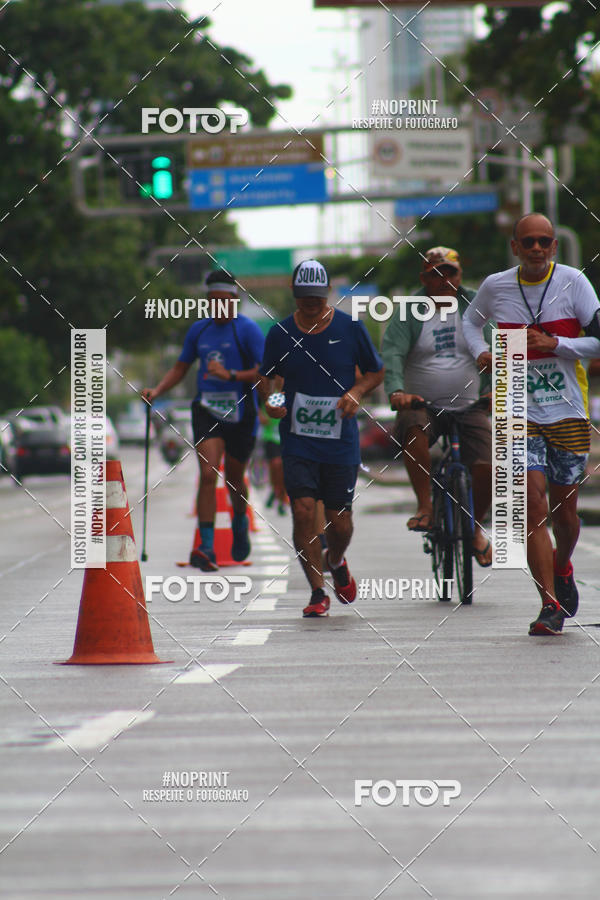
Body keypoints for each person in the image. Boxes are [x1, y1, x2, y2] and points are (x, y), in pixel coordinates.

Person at [462, 213, 600, 635]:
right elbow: (470, 322)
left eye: (544, 241)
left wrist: (556, 343)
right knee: (531, 506)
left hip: (567, 410)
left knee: (566, 513)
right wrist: (480, 352)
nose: (537, 248)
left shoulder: (574, 282)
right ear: (515, 247)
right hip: (515, 407)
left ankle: (562, 565)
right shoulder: (495, 286)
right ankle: (549, 605)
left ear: (554, 247)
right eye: (529, 242)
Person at [258, 258, 384, 617]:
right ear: (294, 294)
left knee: (339, 520)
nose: (311, 304)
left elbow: (375, 372)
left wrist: (357, 392)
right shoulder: (280, 334)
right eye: (304, 297)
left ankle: (337, 559)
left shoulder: (350, 328)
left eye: (316, 297)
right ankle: (317, 591)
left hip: (340, 437)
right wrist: (273, 402)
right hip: (297, 437)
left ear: (327, 293)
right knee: (302, 510)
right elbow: (266, 378)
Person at [142, 269, 265, 570]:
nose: (219, 307)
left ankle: (238, 521)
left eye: (225, 301)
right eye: (213, 301)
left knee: (235, 478)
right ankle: (207, 548)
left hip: (241, 411)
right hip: (207, 409)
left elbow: (265, 372)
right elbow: (181, 367)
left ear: (235, 301)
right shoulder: (199, 330)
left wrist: (232, 375)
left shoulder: (247, 330)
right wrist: (156, 390)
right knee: (208, 475)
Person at [381, 246, 494, 567]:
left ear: (460, 275)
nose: (444, 280)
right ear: (424, 278)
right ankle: (425, 507)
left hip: (471, 404)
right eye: (436, 274)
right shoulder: (409, 310)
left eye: (450, 273)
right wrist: (397, 391)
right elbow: (392, 353)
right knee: (412, 426)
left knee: (486, 463)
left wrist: (496, 392)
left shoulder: (477, 305)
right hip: (422, 404)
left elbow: (497, 350)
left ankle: (474, 528)